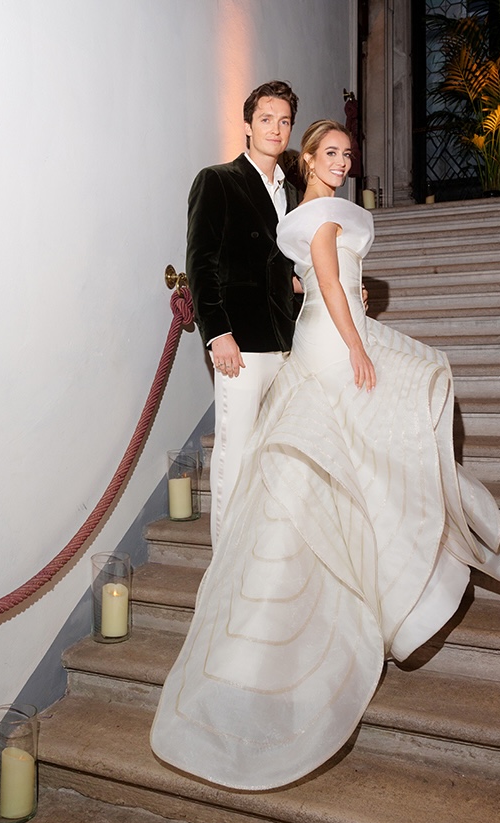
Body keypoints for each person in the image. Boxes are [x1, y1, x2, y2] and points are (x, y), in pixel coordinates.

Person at [151, 120, 500, 790]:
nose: (343, 163)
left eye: (349, 155)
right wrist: (357, 343)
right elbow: (329, 280)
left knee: (337, 457)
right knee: (357, 440)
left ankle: (336, 574)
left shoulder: (311, 213)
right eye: (331, 153)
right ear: (308, 158)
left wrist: (351, 308)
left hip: (320, 334)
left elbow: (313, 286)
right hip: (329, 344)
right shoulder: (320, 217)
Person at [186, 80, 300, 549]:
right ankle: (226, 564)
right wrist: (218, 335)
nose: (276, 128)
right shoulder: (217, 180)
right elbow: (201, 263)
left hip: (287, 342)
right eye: (267, 119)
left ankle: (261, 552)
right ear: (248, 124)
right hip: (242, 345)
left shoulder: (290, 191)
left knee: (273, 452)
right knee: (235, 451)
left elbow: (287, 270)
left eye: (285, 121)